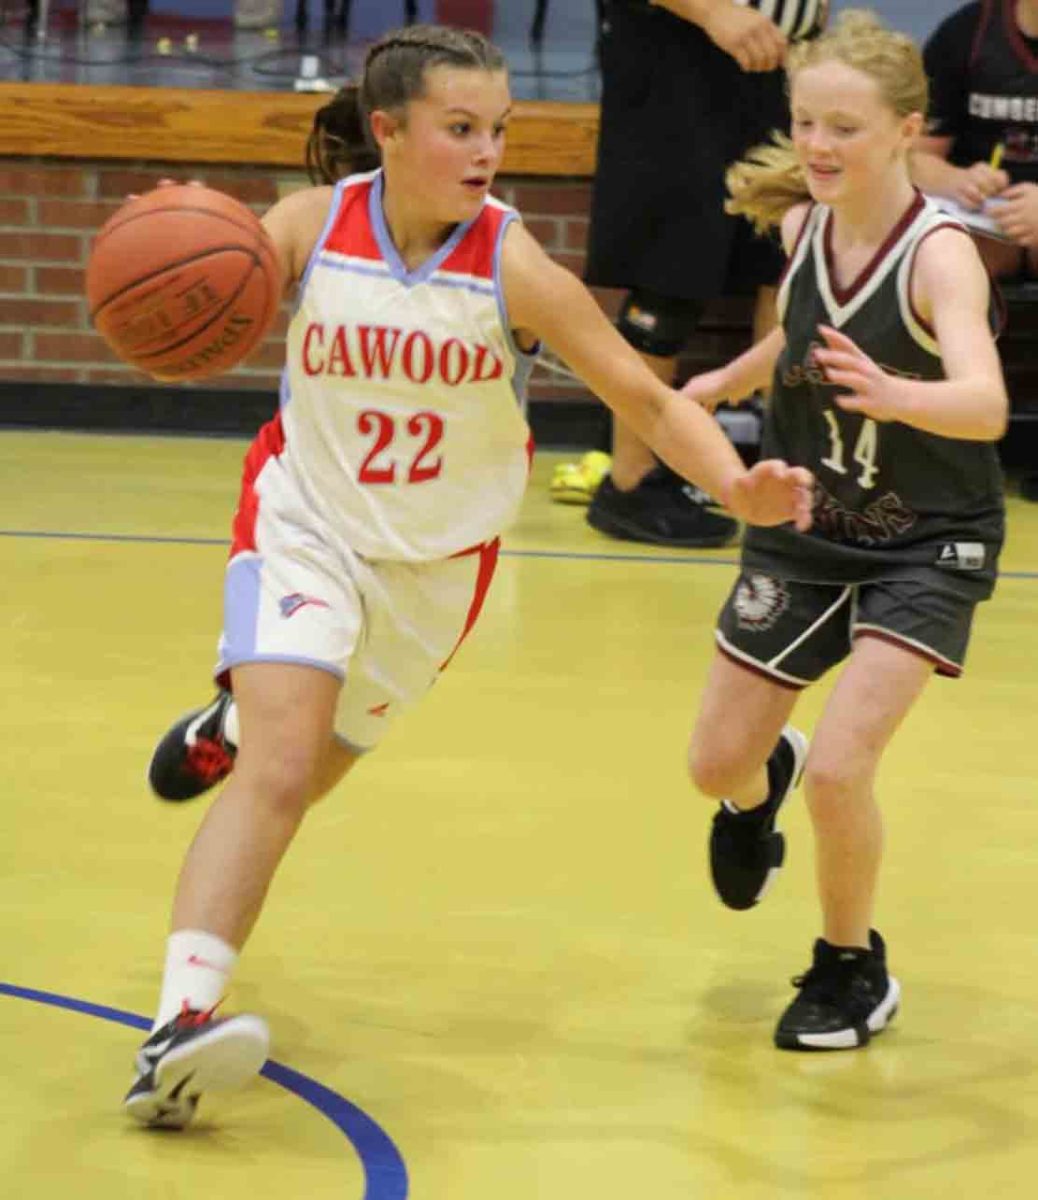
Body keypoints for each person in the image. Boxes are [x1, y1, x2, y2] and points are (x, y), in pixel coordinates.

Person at [125, 23, 814, 1128]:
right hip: (306, 520)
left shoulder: (513, 264)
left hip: (434, 572)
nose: (487, 149)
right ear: (388, 133)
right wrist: (171, 260)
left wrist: (734, 486)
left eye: (499, 128)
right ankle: (178, 1028)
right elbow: (203, 275)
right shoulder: (310, 226)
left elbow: (643, 396)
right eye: (460, 129)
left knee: (304, 776)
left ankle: (235, 718)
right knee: (284, 769)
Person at [680, 9, 1007, 1050]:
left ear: (908, 130)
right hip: (811, 521)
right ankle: (752, 792)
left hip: (929, 537)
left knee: (842, 769)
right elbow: (801, 329)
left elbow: (987, 406)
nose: (819, 146)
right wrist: (733, 375)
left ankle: (849, 967)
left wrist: (896, 395)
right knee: (713, 764)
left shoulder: (942, 256)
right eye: (806, 122)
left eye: (846, 130)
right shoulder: (803, 226)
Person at [559, 0, 827, 547]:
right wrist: (711, 11)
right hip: (681, 56)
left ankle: (786, 477)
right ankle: (630, 483)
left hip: (776, 62)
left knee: (785, 252)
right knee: (669, 269)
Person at [909, 0, 1038, 500]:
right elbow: (915, 159)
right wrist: (958, 180)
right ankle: (939, 445)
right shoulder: (966, 33)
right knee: (936, 260)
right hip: (986, 221)